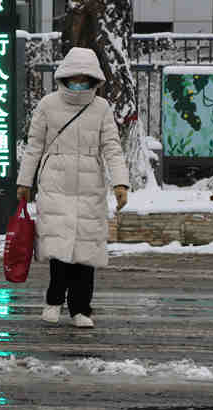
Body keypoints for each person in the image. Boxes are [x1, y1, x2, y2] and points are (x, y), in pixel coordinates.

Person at [16, 47, 130, 329]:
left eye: (85, 78)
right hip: (55, 182)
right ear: (64, 77)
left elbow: (112, 148)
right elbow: (34, 147)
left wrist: (120, 182)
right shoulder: (47, 105)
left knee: (86, 250)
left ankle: (82, 308)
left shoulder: (101, 108)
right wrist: (24, 182)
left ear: (94, 80)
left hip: (90, 183)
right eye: (74, 78)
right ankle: (54, 300)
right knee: (59, 246)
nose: (79, 84)